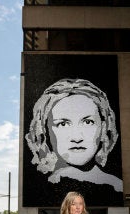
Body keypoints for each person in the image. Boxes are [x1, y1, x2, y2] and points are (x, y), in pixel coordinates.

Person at [25, 78, 123, 206]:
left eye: (88, 122)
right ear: (44, 130)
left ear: (104, 127)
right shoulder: (37, 190)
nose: (77, 137)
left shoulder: (116, 187)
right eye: (63, 124)